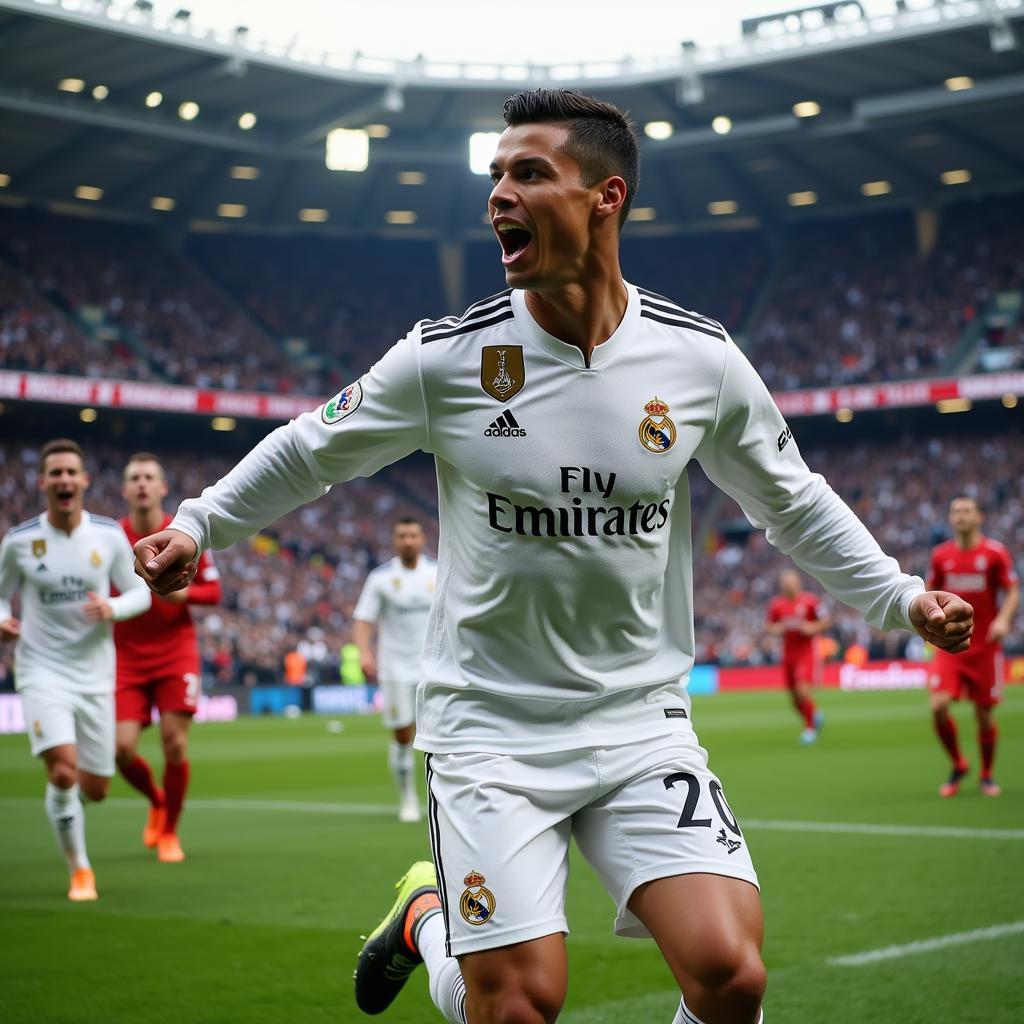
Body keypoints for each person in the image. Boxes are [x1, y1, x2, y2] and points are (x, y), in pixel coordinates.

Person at [133, 90, 973, 1024]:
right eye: (494, 173)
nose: (499, 193)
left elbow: (792, 499)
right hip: (490, 731)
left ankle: (436, 913)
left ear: (605, 196)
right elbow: (307, 449)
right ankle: (427, 918)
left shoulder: (699, 361)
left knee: (732, 976)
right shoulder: (446, 359)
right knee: (520, 1009)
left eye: (528, 173)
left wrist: (901, 598)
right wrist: (198, 523)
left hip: (639, 720)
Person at [0, 439, 151, 900]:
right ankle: (79, 870)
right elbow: (1, 594)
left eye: (71, 472)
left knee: (97, 787)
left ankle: (63, 808)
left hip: (95, 675)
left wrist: (113, 608)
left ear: (84, 481)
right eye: (56, 473)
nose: (64, 480)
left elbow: (141, 592)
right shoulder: (20, 541)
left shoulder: (106, 535)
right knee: (63, 772)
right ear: (43, 482)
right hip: (41, 669)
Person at [113, 452, 222, 863]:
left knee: (174, 743)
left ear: (162, 488)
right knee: (122, 749)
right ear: (125, 489)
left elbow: (213, 593)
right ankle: (157, 800)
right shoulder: (111, 537)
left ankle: (171, 832)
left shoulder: (182, 535)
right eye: (134, 477)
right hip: (125, 653)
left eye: (149, 477)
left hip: (175, 651)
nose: (142, 484)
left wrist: (181, 593)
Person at [927, 494, 1018, 798]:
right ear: (950, 519)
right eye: (955, 511)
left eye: (966, 510)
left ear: (980, 517)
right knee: (938, 706)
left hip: (985, 646)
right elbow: (931, 591)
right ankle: (958, 764)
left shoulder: (994, 553)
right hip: (950, 645)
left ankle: (987, 775)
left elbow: (1012, 590)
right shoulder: (940, 556)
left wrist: (1003, 620)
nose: (960, 515)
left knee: (983, 715)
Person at [353, 517, 437, 822]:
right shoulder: (381, 578)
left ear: (422, 538)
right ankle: (408, 800)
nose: (408, 541)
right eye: (402, 535)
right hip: (396, 667)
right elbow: (364, 618)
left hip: (435, 667)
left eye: (413, 535)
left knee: (442, 737)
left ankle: (441, 799)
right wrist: (364, 652)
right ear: (395, 540)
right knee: (403, 734)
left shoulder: (439, 572)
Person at [765, 568, 832, 743]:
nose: (788, 588)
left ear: (798, 583)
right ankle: (814, 714)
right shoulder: (776, 605)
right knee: (794, 700)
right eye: (785, 585)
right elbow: (769, 626)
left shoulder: (811, 601)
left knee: (803, 690)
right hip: (788, 653)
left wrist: (812, 628)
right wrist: (776, 629)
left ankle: (810, 729)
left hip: (807, 651)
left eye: (791, 584)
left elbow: (826, 621)